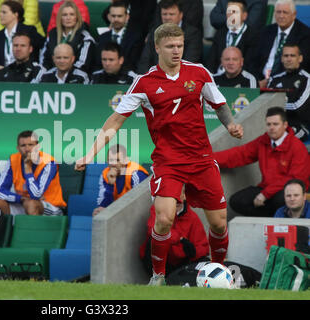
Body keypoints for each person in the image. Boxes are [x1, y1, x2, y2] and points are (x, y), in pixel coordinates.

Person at [75, 23, 244, 286]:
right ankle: (158, 275)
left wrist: (230, 124)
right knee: (164, 218)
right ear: (157, 48)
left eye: (180, 46)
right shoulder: (144, 83)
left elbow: (219, 105)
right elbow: (116, 120)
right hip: (168, 161)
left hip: (201, 159)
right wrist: (90, 153)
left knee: (220, 224)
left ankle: (219, 274)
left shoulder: (198, 73)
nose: (176, 51)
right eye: (170, 46)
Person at [213, 107, 310, 217]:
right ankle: (267, 220)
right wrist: (208, 159)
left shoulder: (297, 147)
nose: (272, 128)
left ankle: (274, 221)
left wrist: (265, 194)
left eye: (275, 124)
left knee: (282, 199)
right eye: (269, 124)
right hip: (266, 188)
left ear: (285, 125)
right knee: (237, 201)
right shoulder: (263, 141)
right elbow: (239, 154)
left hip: (289, 191)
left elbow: (294, 180)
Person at [0, 130, 66, 216]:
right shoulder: (13, 159)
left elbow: (36, 195)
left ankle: (30, 229)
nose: (27, 149)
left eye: (31, 145)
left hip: (50, 206)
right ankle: (9, 228)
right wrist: (20, 198)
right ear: (18, 148)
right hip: (24, 203)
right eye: (23, 145)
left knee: (31, 204)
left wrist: (28, 168)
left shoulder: (48, 162)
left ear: (38, 147)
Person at [139, 187, 210, 275]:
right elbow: (153, 229)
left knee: (205, 262)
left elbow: (203, 247)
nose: (175, 198)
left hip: (180, 264)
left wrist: (193, 251)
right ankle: (157, 278)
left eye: (178, 194)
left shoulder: (192, 218)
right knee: (154, 240)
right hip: (158, 261)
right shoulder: (158, 208)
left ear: (185, 196)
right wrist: (179, 239)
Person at [253, 0, 310, 87]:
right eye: (278, 12)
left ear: (294, 14)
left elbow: (301, 65)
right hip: (261, 82)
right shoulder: (265, 32)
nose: (281, 16)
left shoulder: (305, 35)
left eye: (285, 12)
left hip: (287, 83)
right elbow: (254, 61)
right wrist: (257, 82)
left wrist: (273, 81)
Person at [137, 0, 202, 74]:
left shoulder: (193, 34)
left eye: (171, 14)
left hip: (181, 78)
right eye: (164, 14)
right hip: (156, 77)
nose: (167, 17)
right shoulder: (155, 32)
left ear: (181, 15)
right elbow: (145, 60)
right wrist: (147, 78)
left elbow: (190, 61)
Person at [267, 44, 310, 141]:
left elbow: (298, 107)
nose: (289, 59)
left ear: (300, 58)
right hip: (275, 124)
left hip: (299, 126)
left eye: (292, 56)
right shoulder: (275, 79)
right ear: (281, 58)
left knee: (282, 139)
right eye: (286, 56)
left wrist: (279, 105)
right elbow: (266, 103)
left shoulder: (307, 79)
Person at [0, 0, 44, 74]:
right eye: (0, 12)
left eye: (4, 12)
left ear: (15, 14)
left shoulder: (28, 30)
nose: (0, 15)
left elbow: (36, 54)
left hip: (26, 75)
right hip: (4, 76)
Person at [39, 1, 96, 74]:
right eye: (64, 15)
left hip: (75, 78)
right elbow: (44, 61)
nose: (68, 18)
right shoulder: (52, 35)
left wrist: (61, 75)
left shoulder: (85, 38)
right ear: (60, 17)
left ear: (77, 17)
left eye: (72, 14)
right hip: (52, 77)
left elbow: (82, 65)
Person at [92, 144, 148, 216]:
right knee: (98, 213)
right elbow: (103, 204)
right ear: (107, 160)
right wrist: (110, 185)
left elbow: (141, 203)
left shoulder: (136, 173)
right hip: (119, 214)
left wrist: (111, 211)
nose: (114, 164)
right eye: (111, 160)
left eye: (118, 160)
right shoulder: (105, 174)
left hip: (136, 213)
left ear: (126, 160)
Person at [205, 0, 259, 75]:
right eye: (229, 12)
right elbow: (211, 60)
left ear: (244, 16)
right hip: (218, 77)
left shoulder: (252, 36)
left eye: (235, 12)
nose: (231, 15)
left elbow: (250, 65)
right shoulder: (220, 32)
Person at [96, 1, 143, 71]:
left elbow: (134, 63)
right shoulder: (102, 37)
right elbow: (97, 62)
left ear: (127, 17)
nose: (116, 19)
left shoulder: (135, 38)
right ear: (109, 17)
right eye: (113, 16)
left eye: (119, 16)